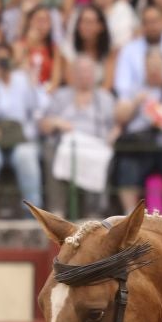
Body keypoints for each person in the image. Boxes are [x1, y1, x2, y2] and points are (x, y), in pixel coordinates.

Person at [39, 54, 117, 213]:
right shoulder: (60, 96)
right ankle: (57, 211)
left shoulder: (105, 98)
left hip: (95, 147)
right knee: (50, 151)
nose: (84, 76)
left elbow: (116, 126)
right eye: (80, 71)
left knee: (102, 156)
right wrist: (57, 122)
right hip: (65, 147)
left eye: (88, 71)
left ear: (95, 75)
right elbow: (44, 125)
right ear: (72, 74)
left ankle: (94, 213)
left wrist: (112, 137)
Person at [0, 39, 41, 217]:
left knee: (26, 156)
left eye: (6, 59)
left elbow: (36, 107)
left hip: (19, 138)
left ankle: (34, 215)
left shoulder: (22, 80)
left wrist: (31, 80)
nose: (3, 64)